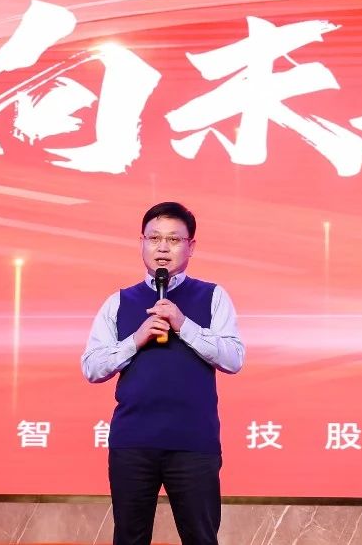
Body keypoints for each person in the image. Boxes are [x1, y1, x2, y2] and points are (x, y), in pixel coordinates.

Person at [81, 201, 245, 545]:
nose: (163, 247)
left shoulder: (213, 296)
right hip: (133, 441)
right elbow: (92, 368)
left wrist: (184, 325)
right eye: (154, 238)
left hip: (194, 442)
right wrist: (135, 340)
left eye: (174, 239)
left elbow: (233, 359)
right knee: (129, 537)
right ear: (142, 243)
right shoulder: (118, 301)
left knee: (201, 538)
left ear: (191, 247)